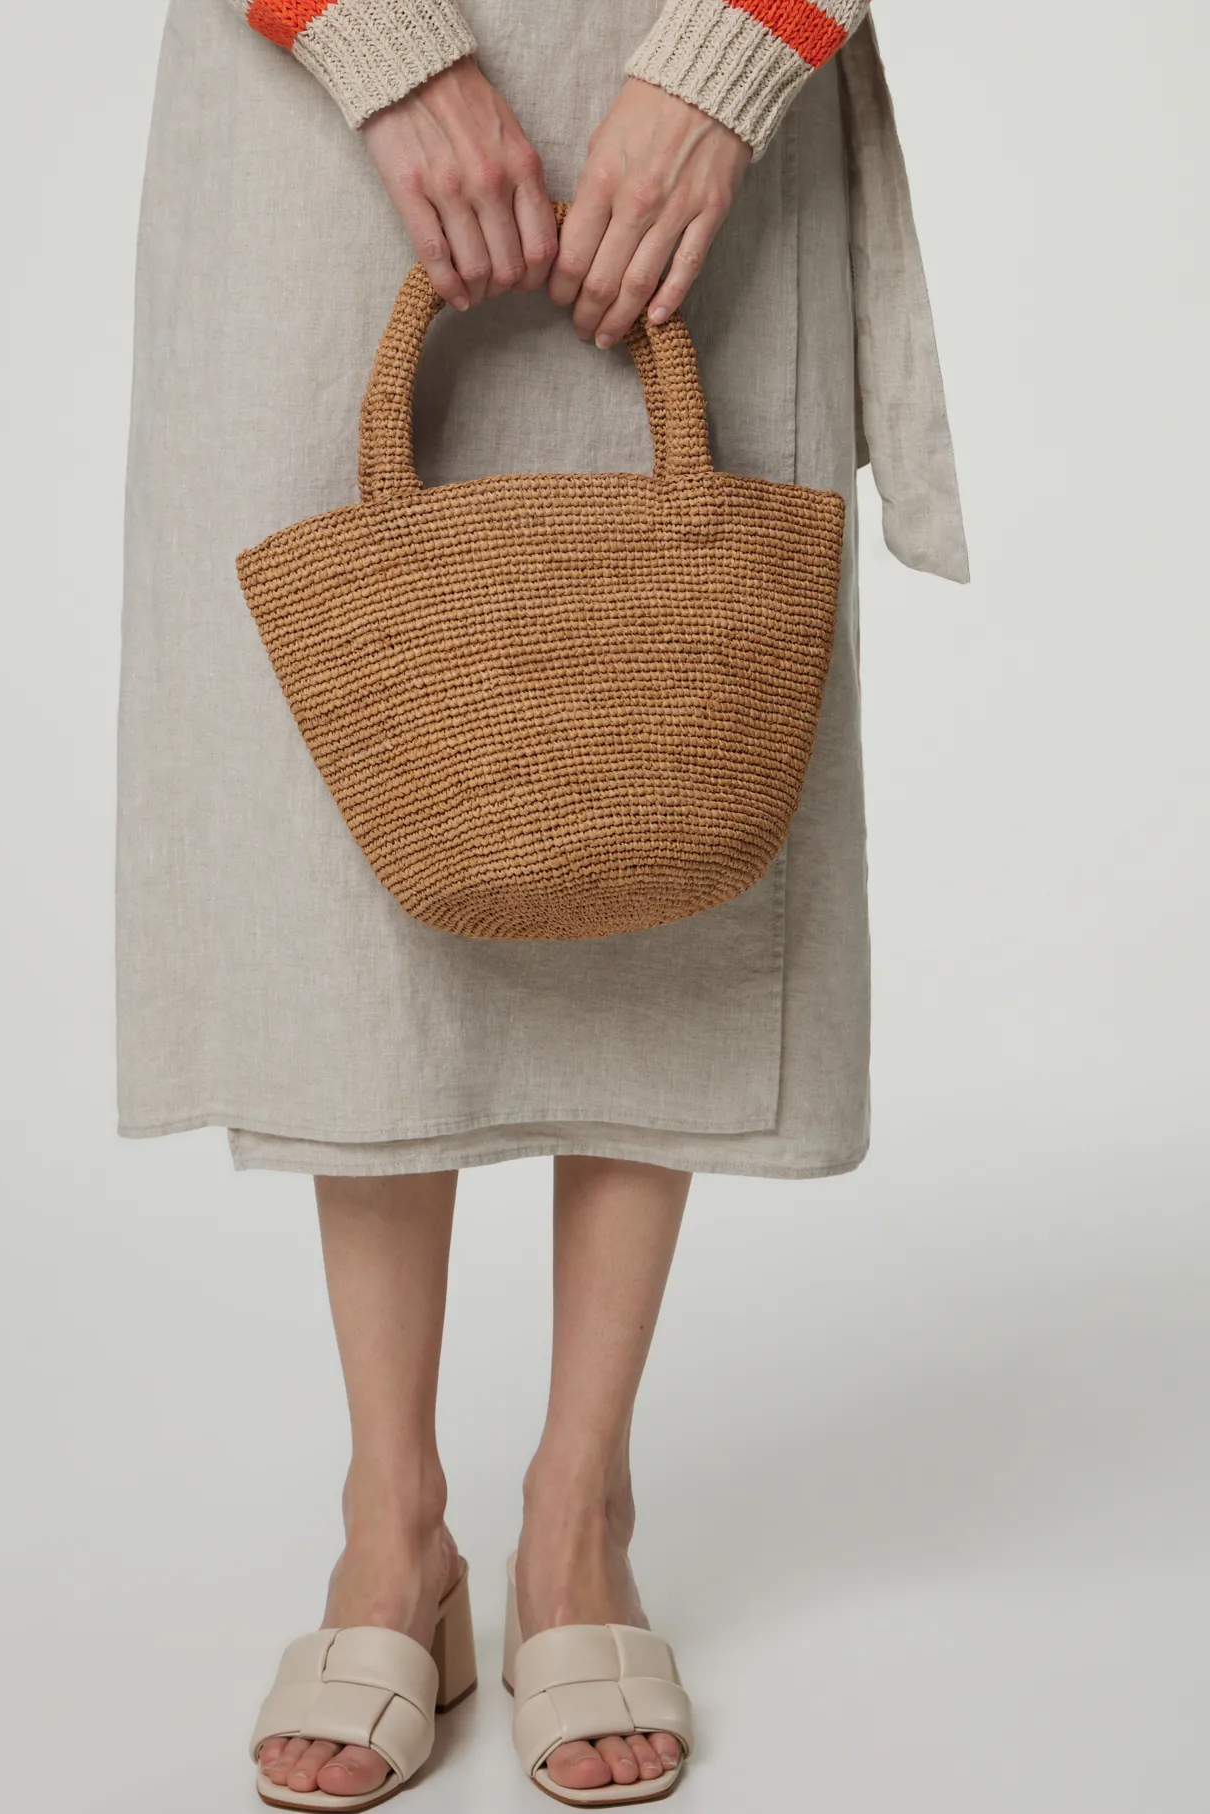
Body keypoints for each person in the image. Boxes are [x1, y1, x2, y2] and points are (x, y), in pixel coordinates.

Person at [116, 2, 967, 1804]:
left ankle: (580, 1513)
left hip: (689, 69)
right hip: (309, 95)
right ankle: (392, 1526)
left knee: (660, 765)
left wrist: (742, 45)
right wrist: (370, 36)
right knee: (349, 802)